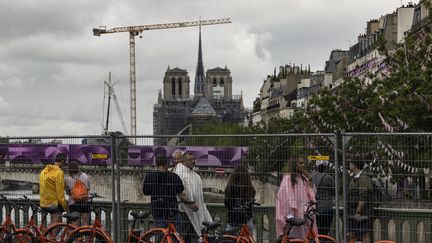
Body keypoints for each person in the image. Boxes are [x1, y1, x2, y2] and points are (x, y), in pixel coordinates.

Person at [172, 151, 212, 242]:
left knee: (194, 237)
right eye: (191, 159)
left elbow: (200, 198)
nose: (193, 161)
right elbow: (180, 192)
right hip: (184, 212)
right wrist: (190, 203)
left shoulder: (196, 176)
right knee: (183, 237)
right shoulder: (179, 173)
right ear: (184, 161)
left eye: (194, 159)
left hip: (196, 211)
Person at [276, 157, 317, 239]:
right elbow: (285, 198)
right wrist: (289, 214)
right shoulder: (288, 178)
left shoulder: (304, 178)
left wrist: (310, 183)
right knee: (295, 237)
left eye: (303, 163)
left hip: (305, 213)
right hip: (295, 213)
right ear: (295, 164)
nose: (303, 165)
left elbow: (313, 193)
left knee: (305, 237)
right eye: (300, 163)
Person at [142, 154, 185, 228]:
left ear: (156, 164)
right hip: (172, 210)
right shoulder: (174, 177)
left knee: (161, 235)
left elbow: (146, 192)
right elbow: (180, 191)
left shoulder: (149, 177)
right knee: (177, 235)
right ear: (167, 164)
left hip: (158, 211)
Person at [224, 164, 256, 233]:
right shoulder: (250, 189)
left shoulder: (229, 188)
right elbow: (251, 205)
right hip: (246, 222)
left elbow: (227, 204)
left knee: (229, 239)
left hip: (233, 222)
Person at [347, 160, 373, 243]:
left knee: (364, 234)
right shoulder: (354, 177)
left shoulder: (364, 177)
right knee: (352, 234)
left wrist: (358, 211)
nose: (349, 165)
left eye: (350, 163)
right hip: (352, 210)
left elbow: (363, 197)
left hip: (363, 212)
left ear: (354, 165)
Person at [39, 153, 68, 224]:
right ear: (62, 161)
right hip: (54, 204)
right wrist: (65, 206)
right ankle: (50, 235)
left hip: (44, 203)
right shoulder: (58, 173)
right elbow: (60, 193)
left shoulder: (44, 171)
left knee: (53, 224)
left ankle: (48, 234)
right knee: (58, 224)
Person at [311, 160, 335, 235]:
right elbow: (334, 191)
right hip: (327, 208)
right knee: (324, 232)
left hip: (315, 208)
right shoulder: (328, 178)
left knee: (316, 231)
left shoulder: (311, 177)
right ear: (325, 167)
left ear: (316, 167)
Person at [65, 160, 91, 226]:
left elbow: (67, 193)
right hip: (85, 203)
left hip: (73, 204)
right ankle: (87, 236)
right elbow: (88, 188)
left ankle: (78, 236)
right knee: (86, 224)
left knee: (75, 225)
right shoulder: (85, 176)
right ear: (78, 167)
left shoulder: (67, 178)